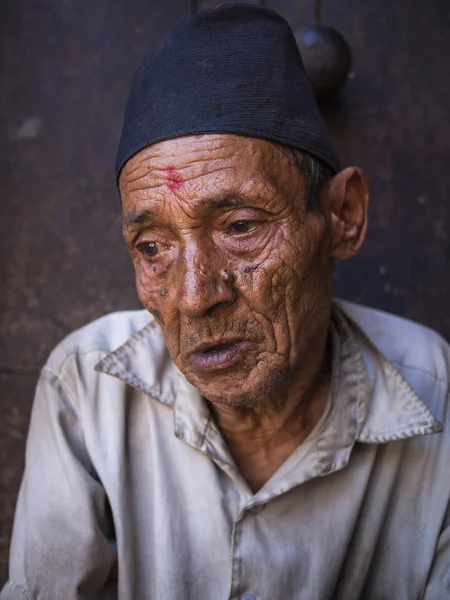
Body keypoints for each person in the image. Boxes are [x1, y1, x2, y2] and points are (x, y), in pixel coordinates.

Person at [2, 4, 449, 600]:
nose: (192, 299)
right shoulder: (86, 386)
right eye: (152, 245)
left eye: (240, 226)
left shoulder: (435, 392)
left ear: (343, 215)